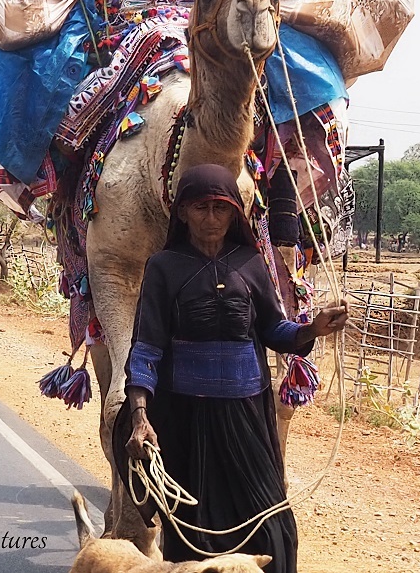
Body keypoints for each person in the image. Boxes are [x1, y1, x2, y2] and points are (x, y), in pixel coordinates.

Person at [113, 164, 348, 573]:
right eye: (200, 208)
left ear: (234, 215)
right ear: (182, 213)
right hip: (188, 420)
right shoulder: (163, 267)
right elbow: (147, 348)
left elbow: (274, 327)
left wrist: (313, 328)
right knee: (196, 537)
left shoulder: (251, 262)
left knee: (275, 530)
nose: (211, 219)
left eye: (220, 209)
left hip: (247, 417)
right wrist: (139, 416)